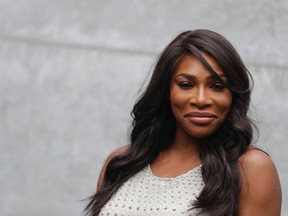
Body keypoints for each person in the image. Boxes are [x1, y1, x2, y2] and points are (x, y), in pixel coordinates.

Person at [85, 29, 282, 216]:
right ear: (167, 92)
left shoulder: (251, 168)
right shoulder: (121, 163)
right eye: (186, 85)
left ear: (233, 95)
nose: (201, 99)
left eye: (217, 86)